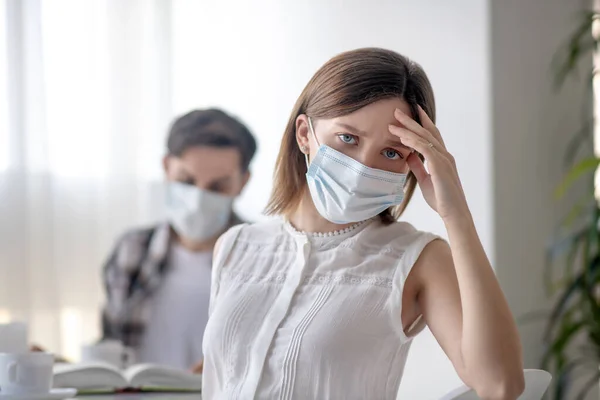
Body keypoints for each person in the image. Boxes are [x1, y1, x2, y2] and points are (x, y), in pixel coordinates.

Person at [202, 48, 524, 399]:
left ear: (412, 160)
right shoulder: (235, 246)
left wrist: (455, 213)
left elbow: (501, 384)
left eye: (391, 152)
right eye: (348, 139)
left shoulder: (417, 259)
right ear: (304, 134)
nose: (362, 168)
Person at [101, 108, 257, 371]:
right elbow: (111, 349)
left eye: (217, 187)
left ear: (242, 182)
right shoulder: (130, 251)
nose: (198, 199)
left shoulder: (267, 257)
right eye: (186, 181)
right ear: (166, 167)